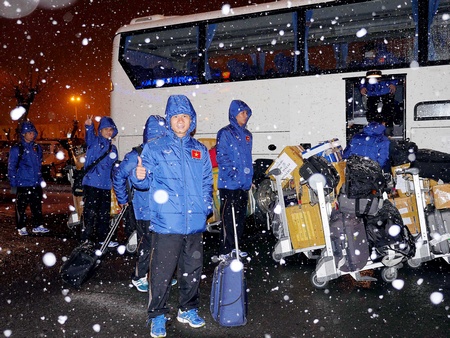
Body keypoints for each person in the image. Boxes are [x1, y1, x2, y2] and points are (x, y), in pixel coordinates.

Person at [132, 95, 213, 338]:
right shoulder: (155, 148)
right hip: (167, 223)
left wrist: (206, 206)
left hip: (195, 223)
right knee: (161, 273)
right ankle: (156, 315)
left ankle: (187, 309)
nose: (181, 121)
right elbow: (143, 183)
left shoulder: (199, 150)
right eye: (176, 117)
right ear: (169, 120)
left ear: (192, 120)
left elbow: (207, 182)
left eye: (185, 117)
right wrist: (138, 175)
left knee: (192, 270)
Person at [113, 115, 166, 293]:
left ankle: (158, 274)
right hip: (144, 209)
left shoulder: (164, 154)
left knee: (162, 244)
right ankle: (139, 276)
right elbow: (119, 176)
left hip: (163, 209)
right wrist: (123, 199)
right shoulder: (136, 155)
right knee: (147, 244)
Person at [216, 99, 253, 256]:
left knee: (240, 217)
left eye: (246, 113)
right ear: (234, 114)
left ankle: (236, 246)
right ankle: (226, 249)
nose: (245, 116)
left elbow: (247, 158)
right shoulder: (225, 133)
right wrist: (233, 174)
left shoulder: (247, 135)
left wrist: (248, 177)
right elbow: (222, 156)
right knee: (228, 218)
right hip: (229, 184)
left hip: (243, 184)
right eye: (242, 113)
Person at [81, 115, 119, 247]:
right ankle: (88, 239)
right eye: (106, 129)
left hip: (105, 185)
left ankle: (103, 238)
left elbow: (113, 167)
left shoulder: (113, 148)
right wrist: (89, 126)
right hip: (92, 183)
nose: (109, 132)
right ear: (100, 130)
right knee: (90, 213)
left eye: (111, 129)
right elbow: (89, 136)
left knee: (104, 214)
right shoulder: (94, 142)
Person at [8, 120, 50, 236]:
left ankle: (38, 225)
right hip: (23, 183)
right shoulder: (17, 148)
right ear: (23, 134)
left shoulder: (36, 147)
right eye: (29, 133)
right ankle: (21, 227)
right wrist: (13, 184)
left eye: (33, 132)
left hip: (35, 183)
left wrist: (40, 179)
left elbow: (38, 165)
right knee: (21, 207)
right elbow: (11, 167)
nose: (32, 135)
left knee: (36, 205)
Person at [360, 71, 398, 136]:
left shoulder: (389, 63)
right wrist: (362, 86)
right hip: (372, 93)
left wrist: (393, 83)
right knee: (372, 116)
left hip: (386, 92)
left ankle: (386, 135)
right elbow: (360, 75)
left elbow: (395, 71)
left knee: (388, 115)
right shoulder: (366, 64)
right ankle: (376, 134)